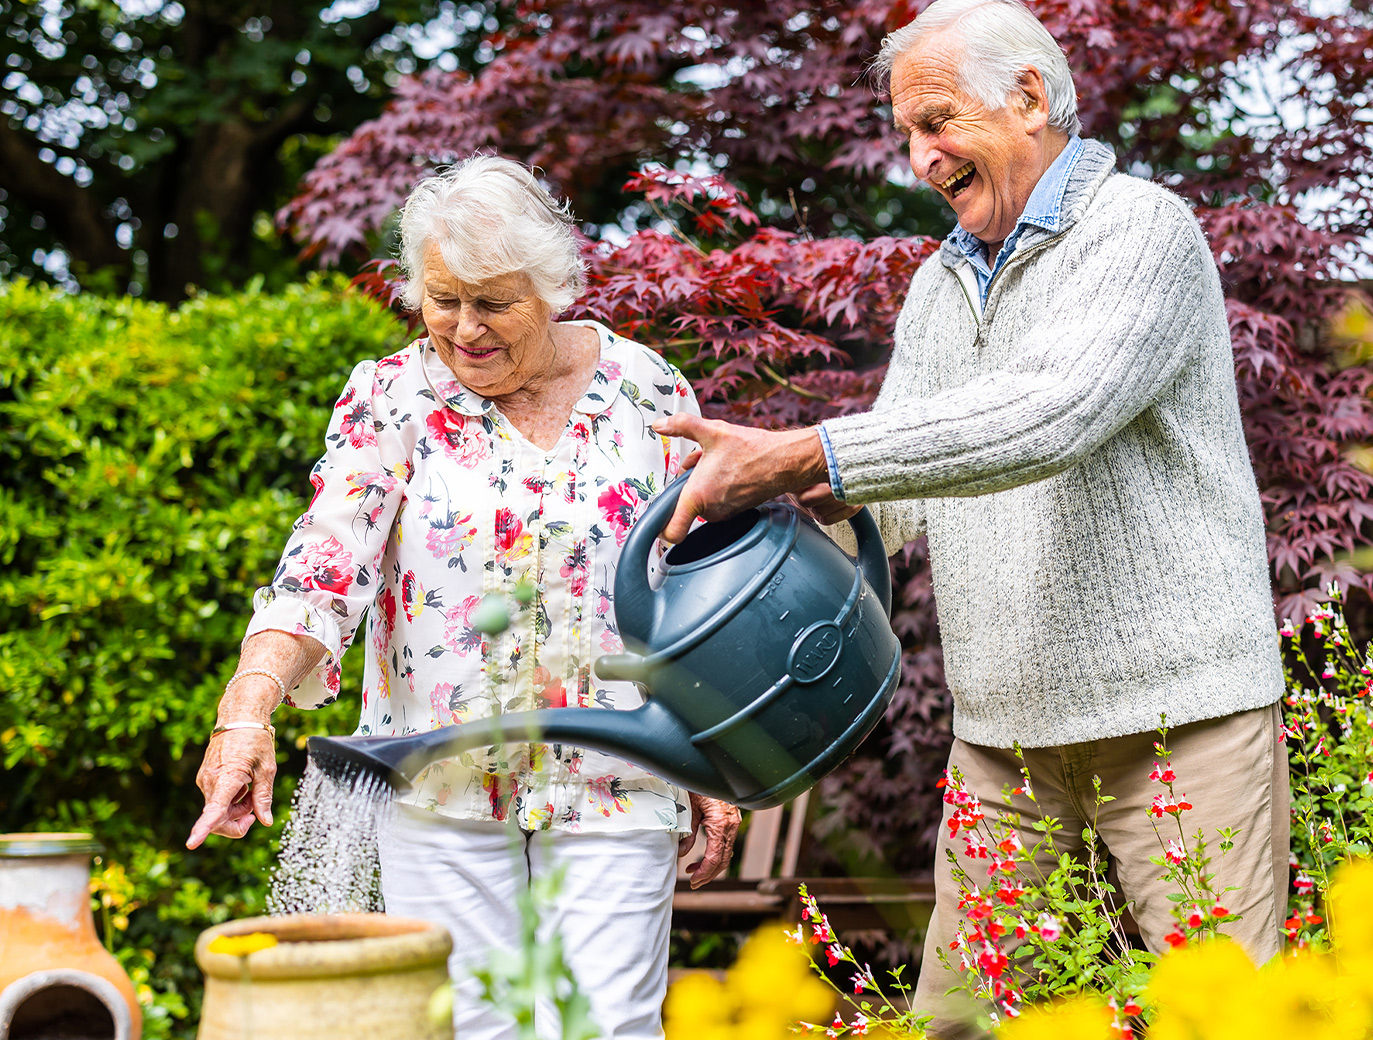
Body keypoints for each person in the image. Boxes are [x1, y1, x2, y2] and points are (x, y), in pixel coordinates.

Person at [645, 0, 1288, 1033]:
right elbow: (893, 492)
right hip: (1005, 737)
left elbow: (1052, 411)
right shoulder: (942, 285)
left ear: (1029, 96)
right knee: (960, 1021)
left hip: (1182, 716)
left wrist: (817, 453)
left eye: (937, 120)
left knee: (1224, 1019)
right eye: (906, 133)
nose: (919, 155)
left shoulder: (1142, 231)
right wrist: (745, 536)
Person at [187, 156, 740, 1040]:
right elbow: (326, 563)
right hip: (437, 776)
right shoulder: (392, 394)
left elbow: (693, 584)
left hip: (619, 770)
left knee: (608, 1025)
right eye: (444, 300)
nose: (466, 328)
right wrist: (247, 706)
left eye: (494, 301)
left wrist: (713, 759)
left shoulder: (648, 390)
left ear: (552, 287)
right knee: (466, 1024)